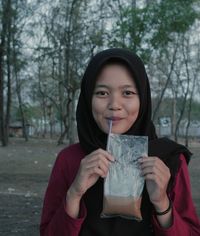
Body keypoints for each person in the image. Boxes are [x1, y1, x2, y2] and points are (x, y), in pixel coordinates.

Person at [40, 48, 200, 236]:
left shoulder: (169, 160)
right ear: (87, 99)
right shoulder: (70, 159)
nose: (114, 104)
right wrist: (74, 193)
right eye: (101, 93)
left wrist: (162, 202)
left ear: (143, 98)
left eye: (128, 93)